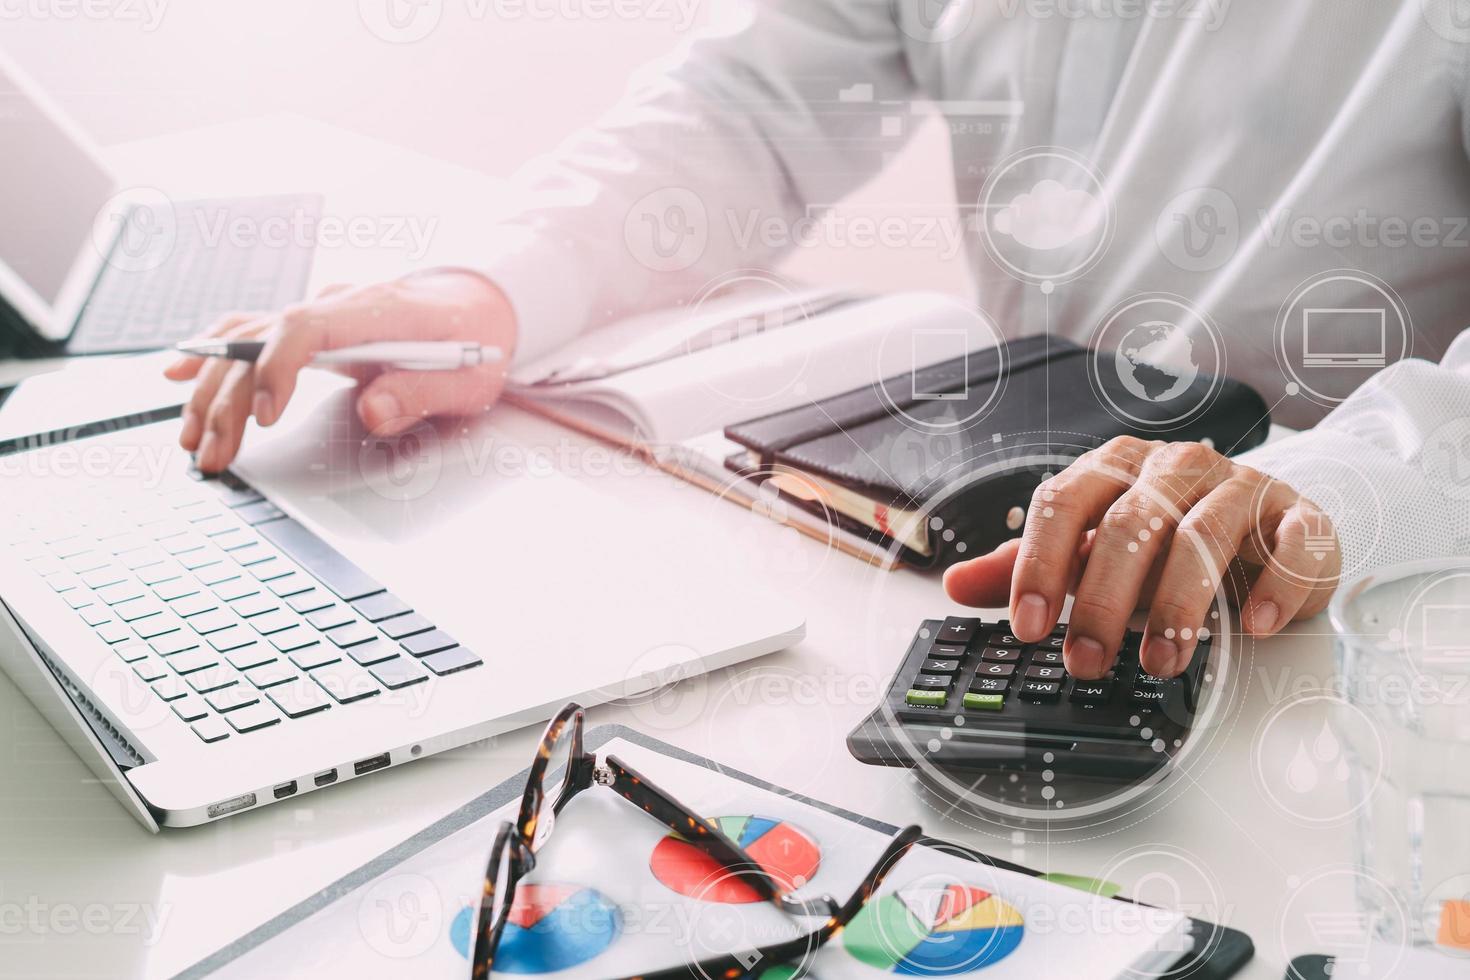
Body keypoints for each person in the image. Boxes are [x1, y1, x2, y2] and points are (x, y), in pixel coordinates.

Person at [166, 0, 1470, 682]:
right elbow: (748, 106)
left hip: (1364, 618)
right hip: (1026, 549)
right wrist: (495, 287)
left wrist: (1311, 497)